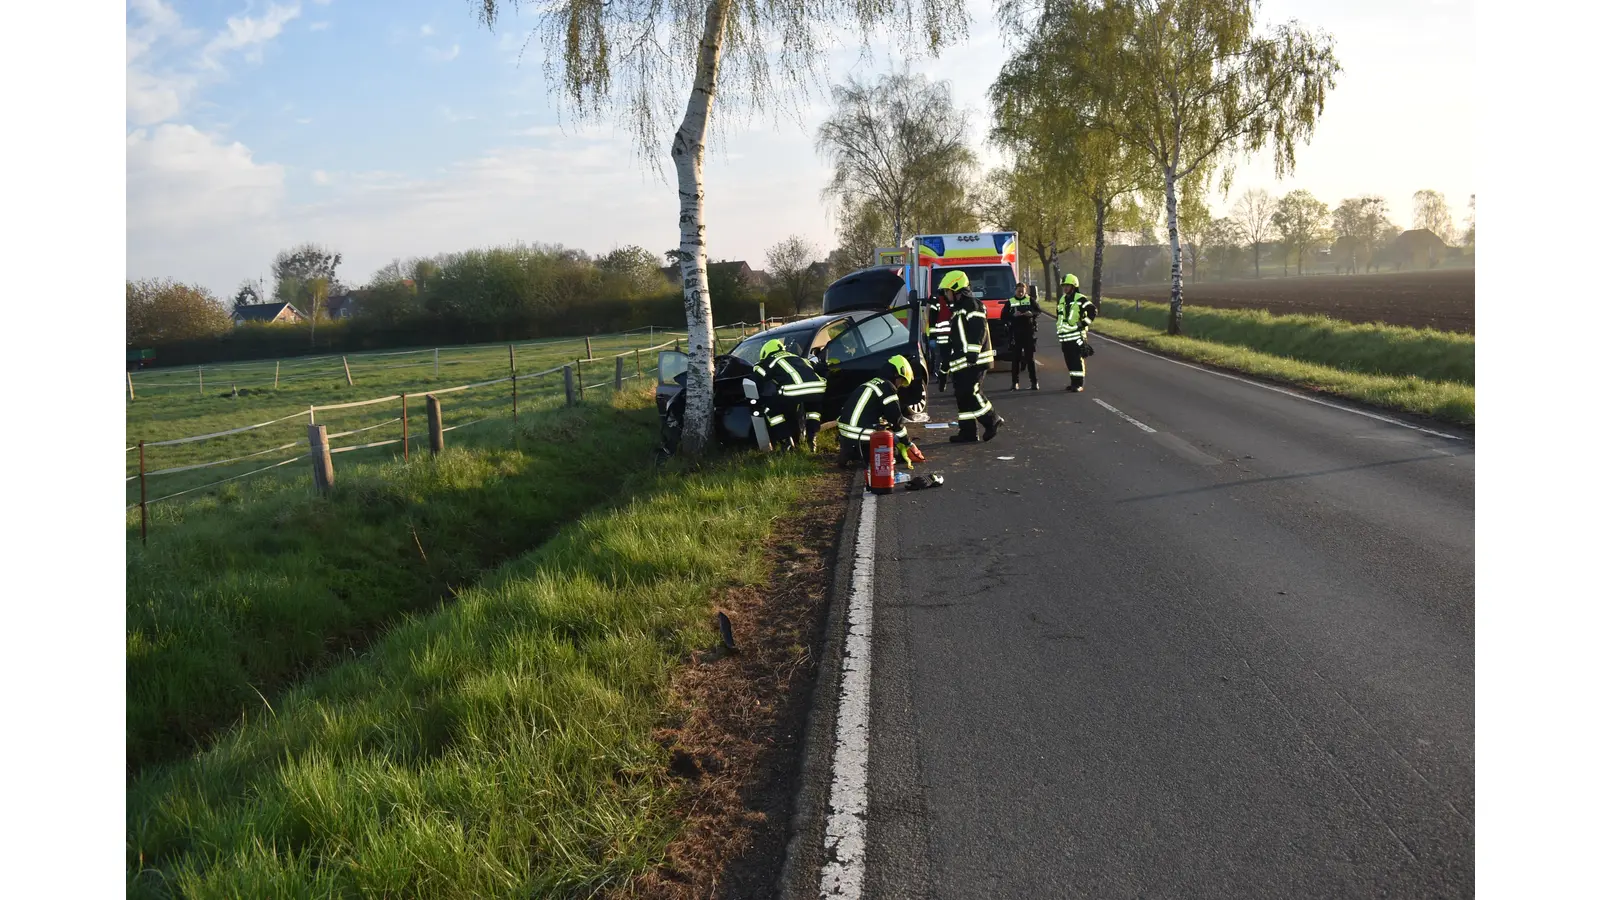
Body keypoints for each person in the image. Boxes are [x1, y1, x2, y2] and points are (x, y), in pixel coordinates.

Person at [939, 271, 1004, 443]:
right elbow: (956, 340)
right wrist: (945, 366)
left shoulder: (972, 305)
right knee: (962, 396)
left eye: (947, 291)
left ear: (956, 288)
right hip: (962, 363)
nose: (946, 295)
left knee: (971, 392)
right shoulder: (958, 310)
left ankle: (992, 420)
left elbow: (979, 329)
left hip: (975, 361)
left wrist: (973, 352)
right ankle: (967, 432)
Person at [836, 354, 922, 467]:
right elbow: (896, 420)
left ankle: (850, 454)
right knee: (893, 442)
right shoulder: (888, 388)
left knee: (887, 431)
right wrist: (907, 443)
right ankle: (866, 456)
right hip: (860, 435)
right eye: (901, 381)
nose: (900, 385)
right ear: (895, 374)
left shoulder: (871, 383)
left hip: (844, 433)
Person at [751, 338, 828, 451]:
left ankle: (786, 441)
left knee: (771, 410)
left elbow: (760, 377)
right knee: (813, 412)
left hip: (793, 389)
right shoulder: (799, 358)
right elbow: (815, 368)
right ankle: (812, 440)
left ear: (765, 352)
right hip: (817, 388)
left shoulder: (768, 361)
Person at [1055, 273, 1098, 392]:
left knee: (1077, 361)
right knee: (1069, 361)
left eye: (1067, 286)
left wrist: (1084, 323)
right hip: (1064, 337)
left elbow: (1093, 310)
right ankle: (1073, 382)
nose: (1065, 288)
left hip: (1076, 336)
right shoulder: (1062, 299)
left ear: (1074, 286)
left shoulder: (1080, 298)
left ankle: (1079, 384)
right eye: (1064, 286)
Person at [1001, 279, 1041, 390]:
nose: (1021, 293)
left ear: (1025, 291)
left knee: (1030, 359)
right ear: (1015, 291)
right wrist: (1013, 315)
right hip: (1015, 334)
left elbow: (1038, 311)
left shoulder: (1030, 300)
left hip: (1028, 333)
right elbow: (1003, 316)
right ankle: (1015, 383)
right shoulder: (1010, 301)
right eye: (1019, 291)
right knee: (1016, 359)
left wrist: (1031, 314)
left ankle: (1034, 383)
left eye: (1022, 291)